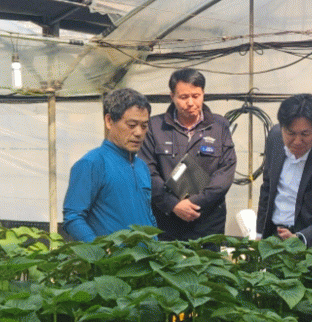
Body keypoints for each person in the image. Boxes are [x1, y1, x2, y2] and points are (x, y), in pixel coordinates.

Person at [140, 69, 236, 242]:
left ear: (203, 94)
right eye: (183, 97)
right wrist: (173, 204)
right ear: (172, 96)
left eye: (196, 96)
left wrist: (196, 202)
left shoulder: (219, 125)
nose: (190, 102)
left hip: (208, 220)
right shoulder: (155, 126)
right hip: (167, 220)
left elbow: (225, 171)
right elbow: (147, 171)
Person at [63, 88, 156, 242]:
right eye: (131, 124)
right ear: (109, 121)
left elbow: (148, 215)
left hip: (146, 256)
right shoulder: (91, 163)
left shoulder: (142, 167)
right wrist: (100, 249)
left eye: (144, 126)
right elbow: (73, 217)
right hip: (112, 257)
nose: (139, 133)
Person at [256, 94, 312, 252]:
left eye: (305, 134)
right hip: (274, 238)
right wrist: (259, 234)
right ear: (282, 127)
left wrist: (300, 239)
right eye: (290, 133)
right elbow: (267, 188)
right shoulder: (275, 137)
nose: (297, 141)